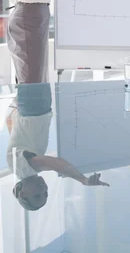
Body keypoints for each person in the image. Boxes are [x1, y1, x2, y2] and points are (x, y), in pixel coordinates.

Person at [6, 83, 109, 211]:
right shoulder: (19, 168)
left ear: (23, 193)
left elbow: (56, 164)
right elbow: (9, 121)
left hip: (34, 105)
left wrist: (83, 180)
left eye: (37, 195)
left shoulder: (27, 170)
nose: (43, 189)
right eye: (46, 194)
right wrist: (18, 108)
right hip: (31, 106)